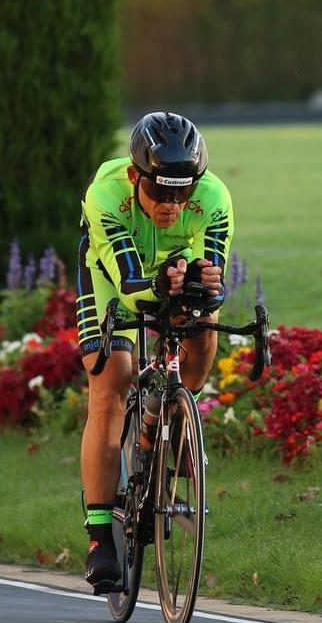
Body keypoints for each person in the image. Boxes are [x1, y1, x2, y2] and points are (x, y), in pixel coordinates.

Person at [76, 112, 233, 588]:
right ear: (134, 176)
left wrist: (205, 286)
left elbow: (216, 285)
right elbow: (129, 288)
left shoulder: (214, 198)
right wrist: (161, 284)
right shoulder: (106, 195)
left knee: (204, 328)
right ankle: (100, 536)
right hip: (111, 276)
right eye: (160, 192)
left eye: (182, 194)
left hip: (172, 269)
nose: (171, 205)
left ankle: (174, 419)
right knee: (112, 384)